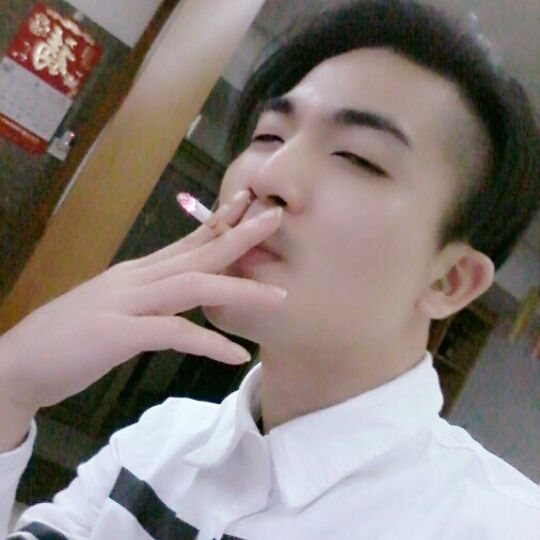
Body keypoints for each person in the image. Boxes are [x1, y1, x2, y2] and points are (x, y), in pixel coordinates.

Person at [1, 0, 539, 538]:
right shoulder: (157, 443)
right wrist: (11, 387)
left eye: (358, 158)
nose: (268, 176)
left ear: (448, 281)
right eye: (268, 137)